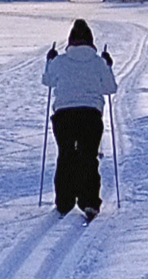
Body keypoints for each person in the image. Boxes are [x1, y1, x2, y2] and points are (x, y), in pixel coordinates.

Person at [42, 18, 117, 220]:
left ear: (70, 40)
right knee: (88, 157)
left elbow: (48, 81)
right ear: (91, 41)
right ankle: (89, 202)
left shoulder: (60, 61)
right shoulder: (98, 62)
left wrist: (49, 61)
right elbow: (110, 88)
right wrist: (108, 65)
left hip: (63, 115)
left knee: (65, 155)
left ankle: (64, 202)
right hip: (91, 114)